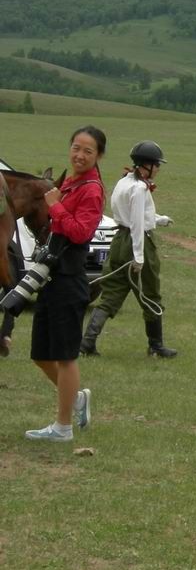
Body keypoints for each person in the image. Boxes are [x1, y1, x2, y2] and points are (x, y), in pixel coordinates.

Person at [24, 126, 106, 442]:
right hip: (52, 276)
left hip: (70, 279)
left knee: (65, 355)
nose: (80, 155)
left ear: (98, 155)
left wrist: (55, 205)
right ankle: (75, 399)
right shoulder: (71, 182)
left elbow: (80, 232)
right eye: (75, 148)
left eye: (88, 150)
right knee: (41, 354)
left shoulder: (92, 189)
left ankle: (63, 427)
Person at [81, 141, 177, 358]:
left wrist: (158, 219)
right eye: (157, 165)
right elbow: (136, 223)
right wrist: (140, 256)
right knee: (150, 293)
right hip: (137, 241)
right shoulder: (140, 187)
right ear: (147, 165)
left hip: (119, 241)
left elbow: (134, 213)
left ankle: (87, 343)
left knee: (111, 293)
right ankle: (156, 346)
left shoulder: (124, 181)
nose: (159, 169)